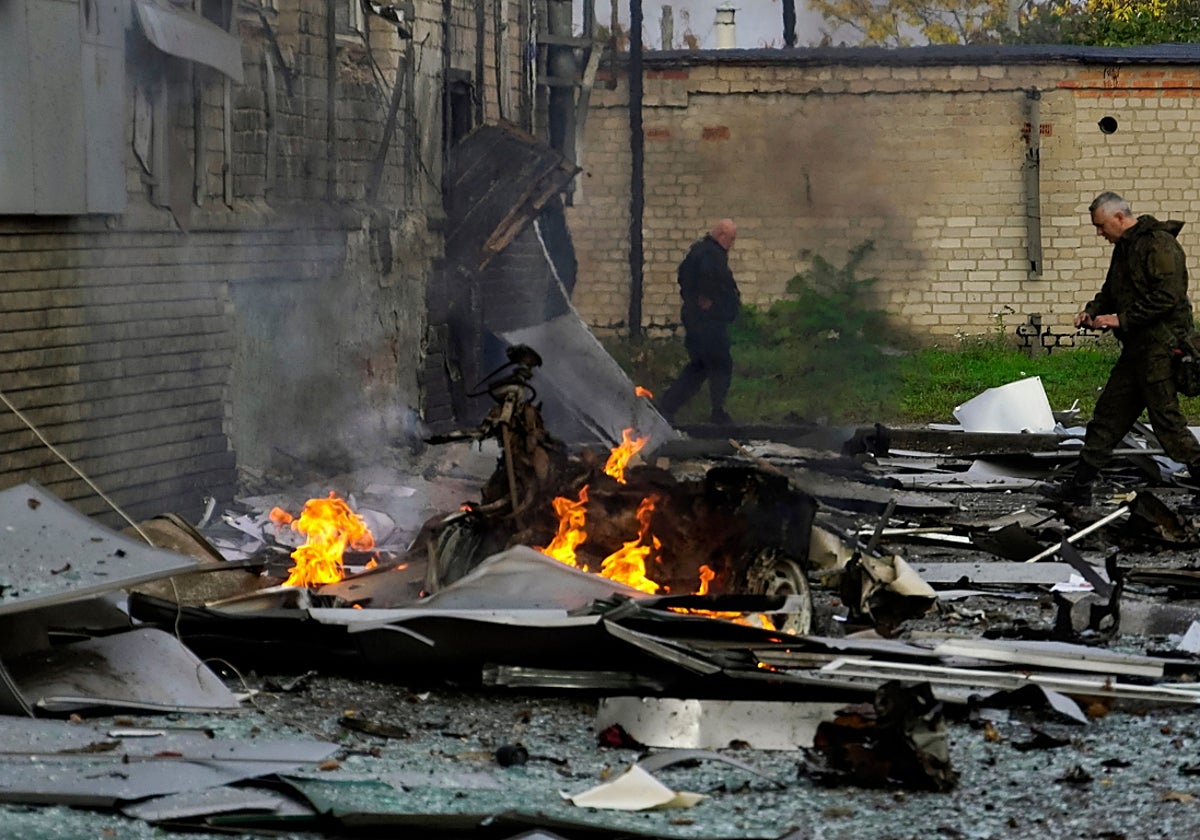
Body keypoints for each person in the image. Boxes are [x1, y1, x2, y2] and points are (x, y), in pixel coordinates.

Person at [1047, 191, 1200, 504]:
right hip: (1136, 353)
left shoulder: (1159, 244)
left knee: (1168, 425)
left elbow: (1167, 297)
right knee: (1107, 418)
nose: (1099, 233)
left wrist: (1120, 320)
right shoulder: (1124, 249)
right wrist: (1092, 311)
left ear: (1119, 217)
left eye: (1101, 226)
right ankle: (1078, 489)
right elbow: (1110, 291)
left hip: (1161, 350)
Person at [657, 218, 741, 426]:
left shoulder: (701, 251)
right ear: (722, 235)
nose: (731, 244)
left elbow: (684, 277)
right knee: (720, 364)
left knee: (701, 366)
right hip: (707, 323)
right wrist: (707, 299)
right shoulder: (709, 255)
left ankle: (667, 406)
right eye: (731, 239)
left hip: (700, 320)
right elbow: (709, 280)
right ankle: (717, 412)